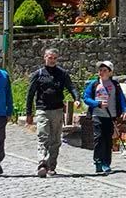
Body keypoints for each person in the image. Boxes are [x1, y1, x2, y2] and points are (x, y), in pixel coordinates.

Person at [25, 47, 81, 177]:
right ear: (45, 57)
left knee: (55, 140)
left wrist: (77, 99)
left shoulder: (62, 73)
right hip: (42, 110)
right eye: (50, 58)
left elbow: (71, 87)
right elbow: (30, 94)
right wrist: (29, 113)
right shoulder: (38, 74)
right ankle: (42, 162)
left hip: (57, 110)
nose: (52, 60)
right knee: (42, 136)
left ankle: (51, 166)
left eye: (55, 58)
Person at [82, 60, 126, 175]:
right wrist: (97, 104)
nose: (101, 72)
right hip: (98, 115)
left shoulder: (115, 84)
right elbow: (86, 98)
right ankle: (97, 162)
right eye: (100, 70)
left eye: (104, 70)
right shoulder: (94, 84)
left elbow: (121, 98)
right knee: (99, 138)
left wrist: (124, 110)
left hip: (110, 115)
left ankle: (106, 163)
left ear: (110, 72)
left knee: (108, 139)